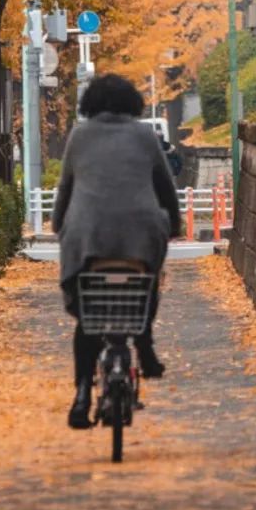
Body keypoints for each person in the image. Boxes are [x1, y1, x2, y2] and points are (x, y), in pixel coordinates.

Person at [52, 73, 181, 429]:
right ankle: (146, 347)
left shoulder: (79, 136)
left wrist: (58, 224)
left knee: (87, 318)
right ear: (132, 104)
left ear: (89, 104)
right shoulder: (144, 135)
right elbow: (165, 187)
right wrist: (176, 225)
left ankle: (81, 394)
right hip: (139, 236)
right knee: (146, 284)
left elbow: (65, 188)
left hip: (88, 238)